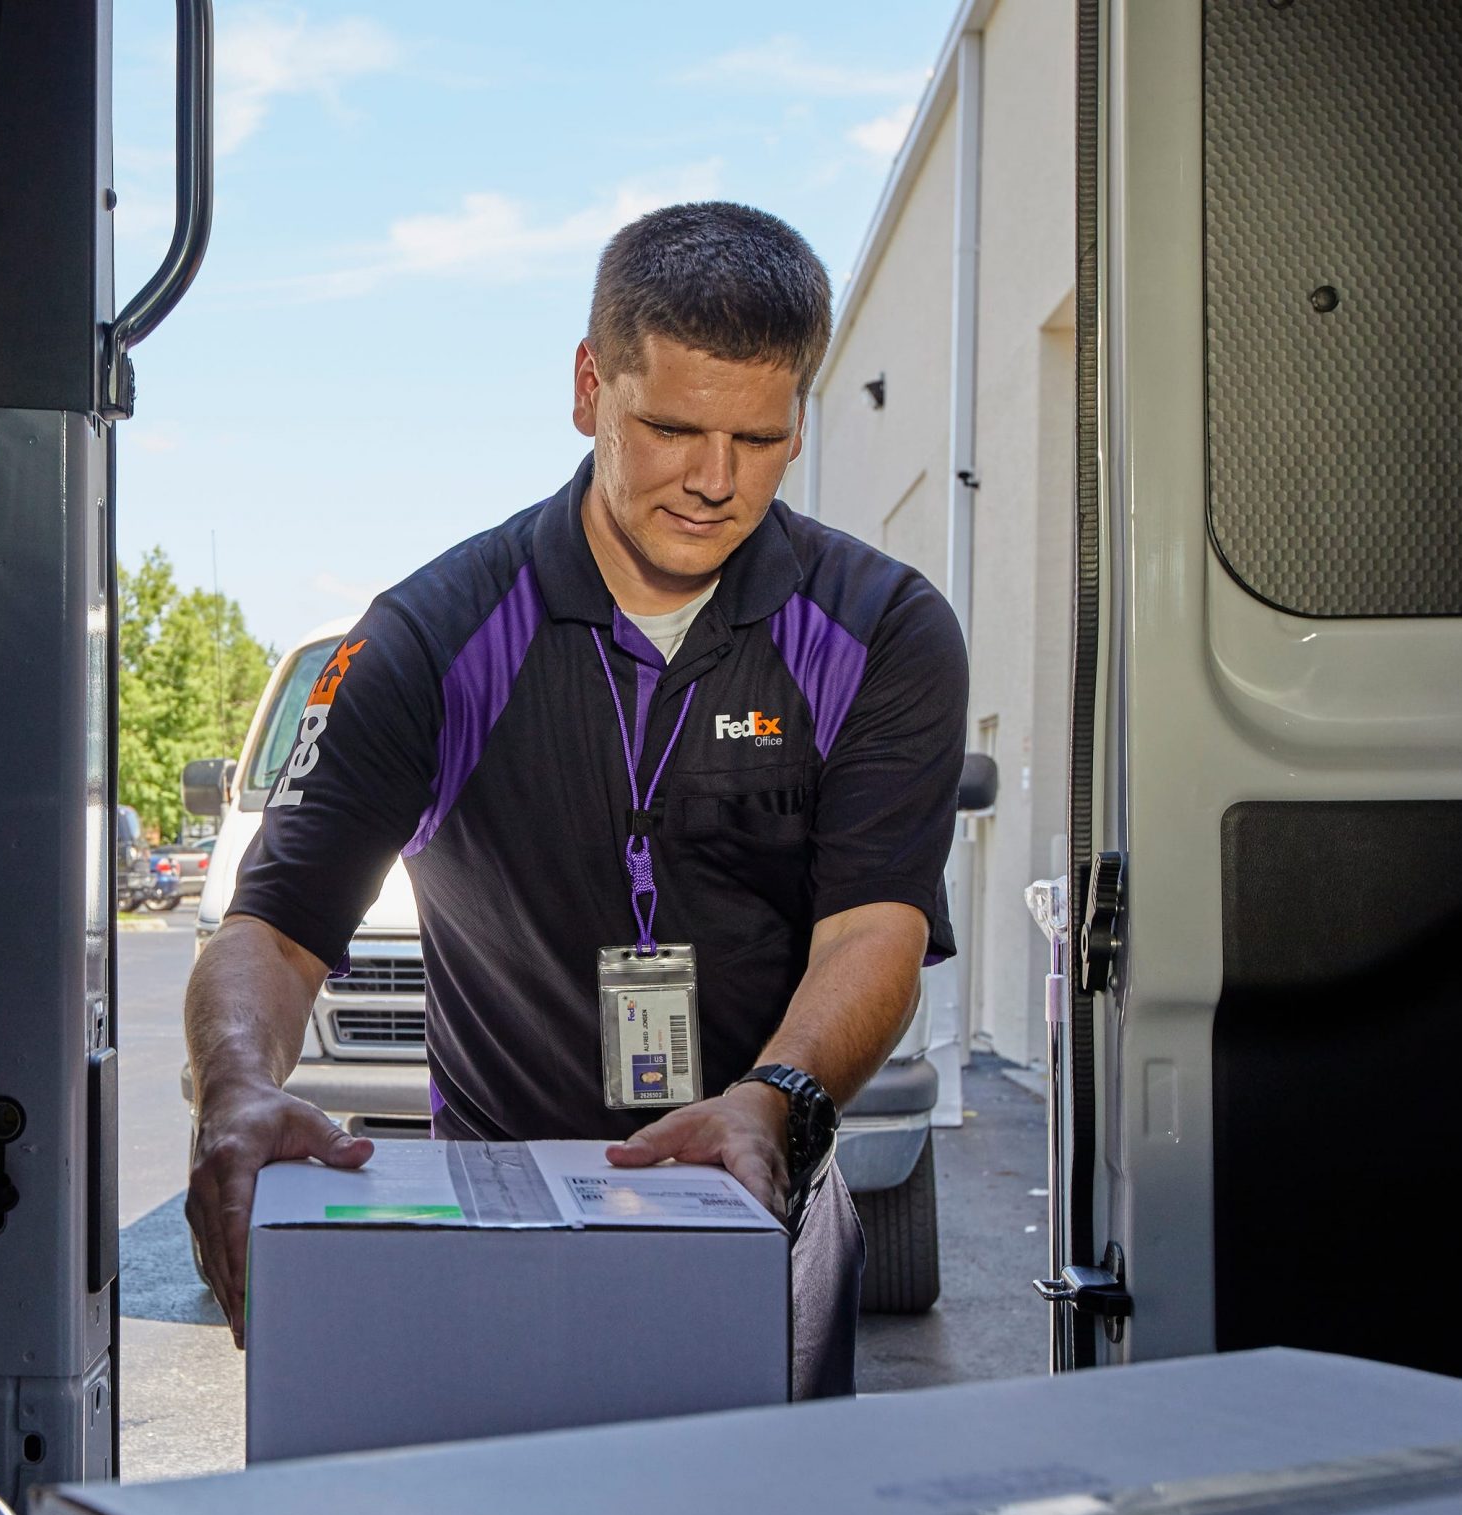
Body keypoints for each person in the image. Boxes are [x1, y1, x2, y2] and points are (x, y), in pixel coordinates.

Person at [184, 201, 967, 1397]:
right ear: (587, 384)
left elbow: (874, 931)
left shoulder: (883, 631)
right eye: (668, 426)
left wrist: (771, 1102)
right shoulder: (433, 635)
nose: (713, 481)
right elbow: (276, 926)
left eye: (757, 438)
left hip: (763, 1211)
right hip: (503, 1227)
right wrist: (237, 1078)